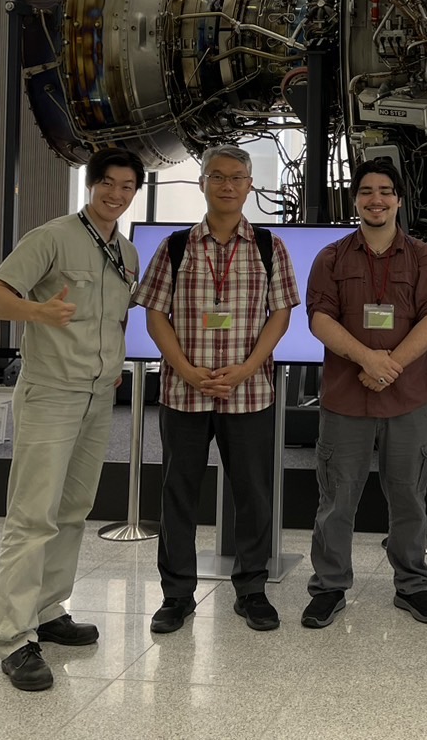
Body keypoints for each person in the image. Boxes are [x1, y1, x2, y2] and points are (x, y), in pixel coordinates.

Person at [0, 147, 143, 692]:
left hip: (99, 396)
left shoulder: (125, 251)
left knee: (73, 510)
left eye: (127, 187)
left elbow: (112, 320)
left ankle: (49, 611)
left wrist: (110, 366)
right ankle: (14, 638)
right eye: (109, 184)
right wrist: (37, 312)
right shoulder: (52, 237)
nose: (116, 194)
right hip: (51, 393)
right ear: (91, 184)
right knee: (32, 516)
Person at [132, 145, 299, 635]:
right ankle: (176, 595)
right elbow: (154, 312)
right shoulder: (175, 246)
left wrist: (248, 368)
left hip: (248, 393)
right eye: (218, 177)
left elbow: (282, 312)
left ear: (250, 186)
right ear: (202, 182)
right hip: (184, 392)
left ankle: (251, 590)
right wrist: (182, 367)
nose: (227, 186)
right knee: (178, 493)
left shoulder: (269, 246)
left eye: (237, 178)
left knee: (253, 493)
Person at [301, 159, 427, 628]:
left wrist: (391, 365)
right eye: (366, 191)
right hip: (347, 398)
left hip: (405, 398)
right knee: (337, 498)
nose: (376, 199)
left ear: (399, 200)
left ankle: (412, 586)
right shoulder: (331, 257)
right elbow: (319, 318)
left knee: (409, 496)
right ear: (356, 200)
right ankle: (328, 587)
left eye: (386, 190)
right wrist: (368, 360)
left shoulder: (423, 256)